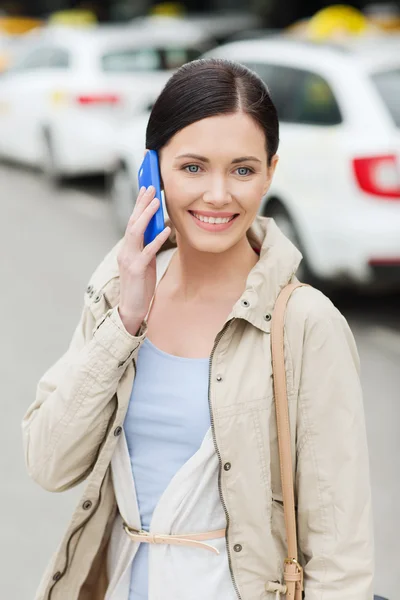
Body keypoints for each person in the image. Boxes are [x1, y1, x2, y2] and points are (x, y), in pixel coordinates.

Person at [22, 58, 374, 600]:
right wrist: (126, 322)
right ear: (152, 169)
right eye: (191, 167)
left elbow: (340, 554)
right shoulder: (118, 290)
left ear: (270, 172)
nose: (217, 194)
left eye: (242, 169)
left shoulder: (306, 324)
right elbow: (48, 462)